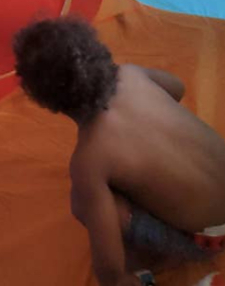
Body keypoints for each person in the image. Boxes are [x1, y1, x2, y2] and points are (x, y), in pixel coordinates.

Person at [13, 17, 225, 286]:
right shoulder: (132, 75)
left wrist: (119, 277)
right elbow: (177, 88)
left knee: (84, 203)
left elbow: (110, 270)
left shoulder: (90, 159)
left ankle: (160, 259)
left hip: (209, 240)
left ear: (47, 101)